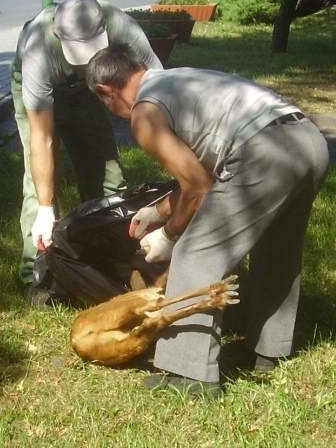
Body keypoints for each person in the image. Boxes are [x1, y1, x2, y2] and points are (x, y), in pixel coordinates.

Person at [86, 43, 329, 396]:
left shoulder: (144, 113)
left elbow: (198, 187)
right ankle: (268, 350)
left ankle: (189, 373)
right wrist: (157, 211)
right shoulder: (178, 80)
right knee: (277, 250)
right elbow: (205, 176)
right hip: (307, 141)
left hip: (265, 154)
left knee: (195, 255)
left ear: (106, 92)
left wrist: (169, 236)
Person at [11, 0, 163, 301]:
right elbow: (42, 138)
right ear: (57, 34)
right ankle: (37, 275)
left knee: (108, 176)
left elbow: (158, 91)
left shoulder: (123, 27)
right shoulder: (39, 49)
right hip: (40, 90)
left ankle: (111, 257)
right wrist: (44, 208)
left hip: (87, 90)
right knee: (38, 186)